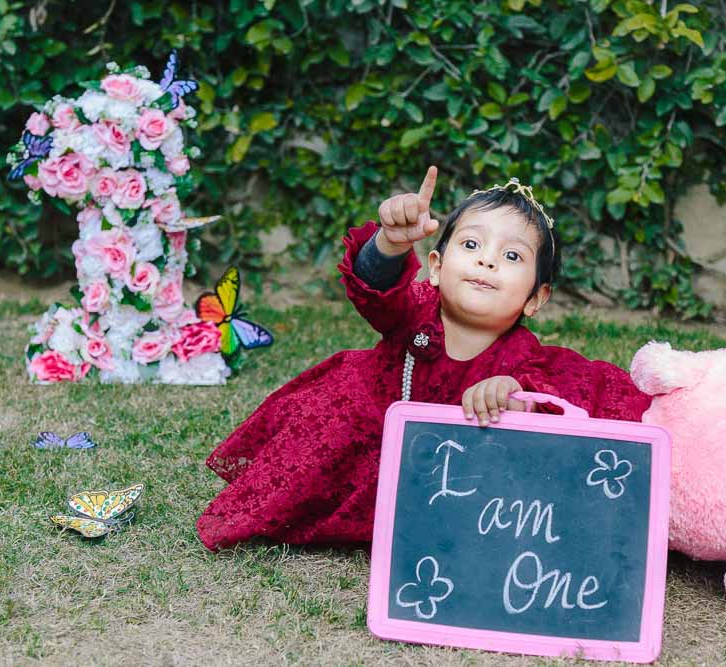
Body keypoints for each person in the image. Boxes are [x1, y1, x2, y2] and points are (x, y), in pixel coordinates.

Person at [196, 166, 652, 550]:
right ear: (436, 266)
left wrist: (513, 394)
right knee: (324, 434)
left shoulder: (520, 357)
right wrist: (392, 243)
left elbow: (548, 397)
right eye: (471, 246)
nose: (486, 262)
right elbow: (376, 290)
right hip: (363, 437)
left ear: (537, 297)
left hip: (446, 474)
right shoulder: (413, 307)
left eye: (511, 255)